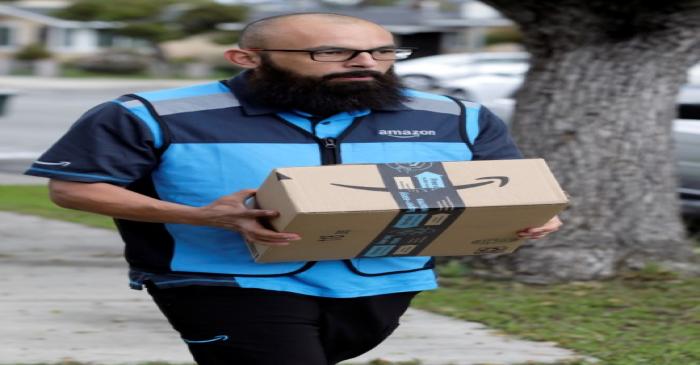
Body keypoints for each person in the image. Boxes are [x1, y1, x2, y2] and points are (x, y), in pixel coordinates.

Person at [25, 12, 562, 365]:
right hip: (223, 281)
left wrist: (533, 216)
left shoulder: (456, 116)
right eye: (333, 54)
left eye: (383, 53)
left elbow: (506, 189)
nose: (366, 64)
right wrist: (202, 216)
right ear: (247, 59)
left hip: (385, 281)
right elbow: (76, 190)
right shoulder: (152, 114)